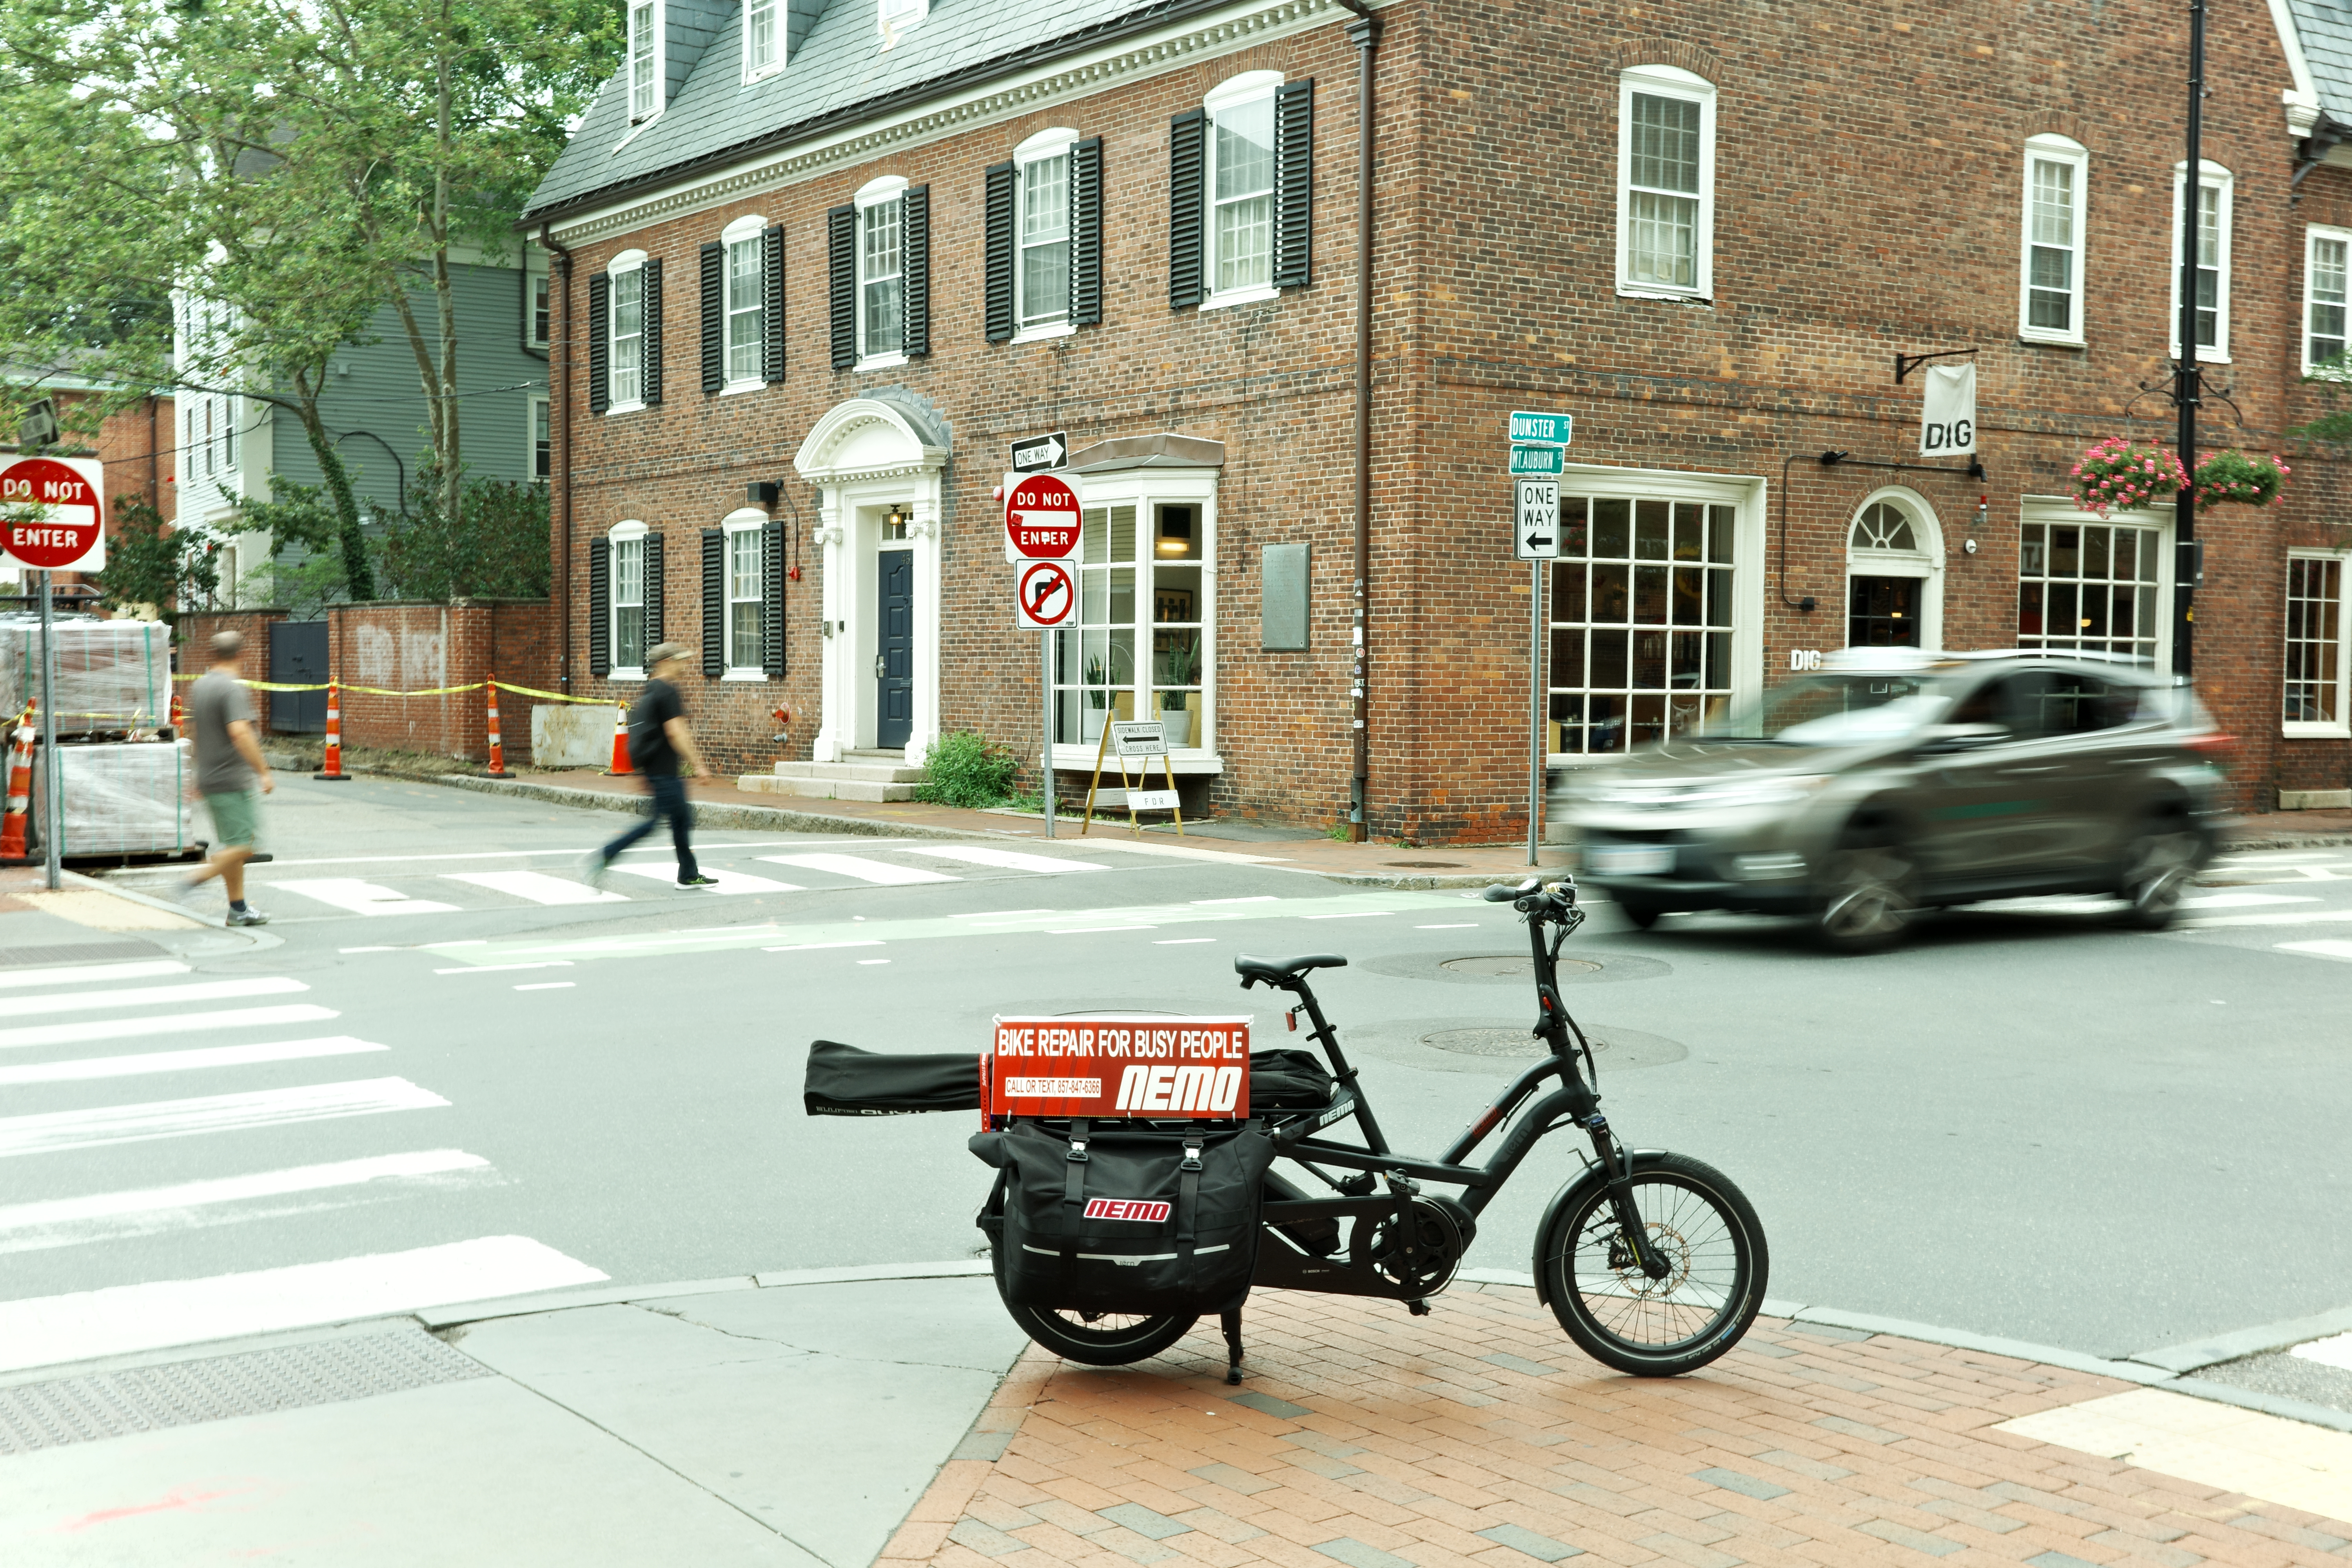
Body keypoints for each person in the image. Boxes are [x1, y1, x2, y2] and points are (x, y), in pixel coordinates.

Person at [584, 642, 719, 889]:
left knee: (679, 819)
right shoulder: (668, 692)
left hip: (656, 771)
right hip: (665, 773)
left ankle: (688, 874)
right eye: (680, 660)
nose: (684, 665)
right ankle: (607, 854)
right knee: (664, 822)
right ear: (666, 663)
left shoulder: (651, 691)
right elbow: (676, 732)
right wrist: (699, 765)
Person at [179, 630, 273, 926]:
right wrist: (263, 771)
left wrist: (197, 772)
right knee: (246, 845)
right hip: (232, 779)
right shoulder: (232, 689)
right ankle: (197, 877)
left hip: (210, 776)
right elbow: (239, 732)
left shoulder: (202, 686)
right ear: (242, 655)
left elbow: (195, 732)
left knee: (234, 844)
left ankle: (239, 908)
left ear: (213, 654)